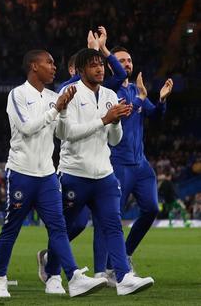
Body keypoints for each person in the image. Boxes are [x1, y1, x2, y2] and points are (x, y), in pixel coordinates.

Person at [0, 50, 107, 298]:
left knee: (59, 227)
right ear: (34, 66)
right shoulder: (18, 94)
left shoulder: (55, 96)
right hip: (21, 172)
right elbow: (26, 128)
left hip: (47, 175)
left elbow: (61, 133)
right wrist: (56, 110)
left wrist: (62, 111)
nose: (54, 67)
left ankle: (67, 277)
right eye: (49, 63)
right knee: (12, 228)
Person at [42, 48, 155, 296]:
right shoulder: (69, 92)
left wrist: (115, 122)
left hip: (104, 174)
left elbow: (114, 140)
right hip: (74, 173)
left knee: (113, 225)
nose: (100, 69)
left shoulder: (110, 95)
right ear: (81, 70)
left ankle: (123, 278)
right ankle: (52, 273)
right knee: (65, 227)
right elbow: (66, 134)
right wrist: (104, 120)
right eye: (94, 65)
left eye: (102, 65)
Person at [81, 47, 173, 282]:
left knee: (151, 209)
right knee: (110, 217)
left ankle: (125, 255)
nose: (127, 64)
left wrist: (161, 100)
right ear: (112, 65)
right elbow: (124, 115)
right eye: (122, 60)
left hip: (141, 165)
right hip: (117, 164)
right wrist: (103, 49)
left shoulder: (135, 90)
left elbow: (155, 117)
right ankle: (105, 270)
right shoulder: (108, 90)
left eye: (129, 60)